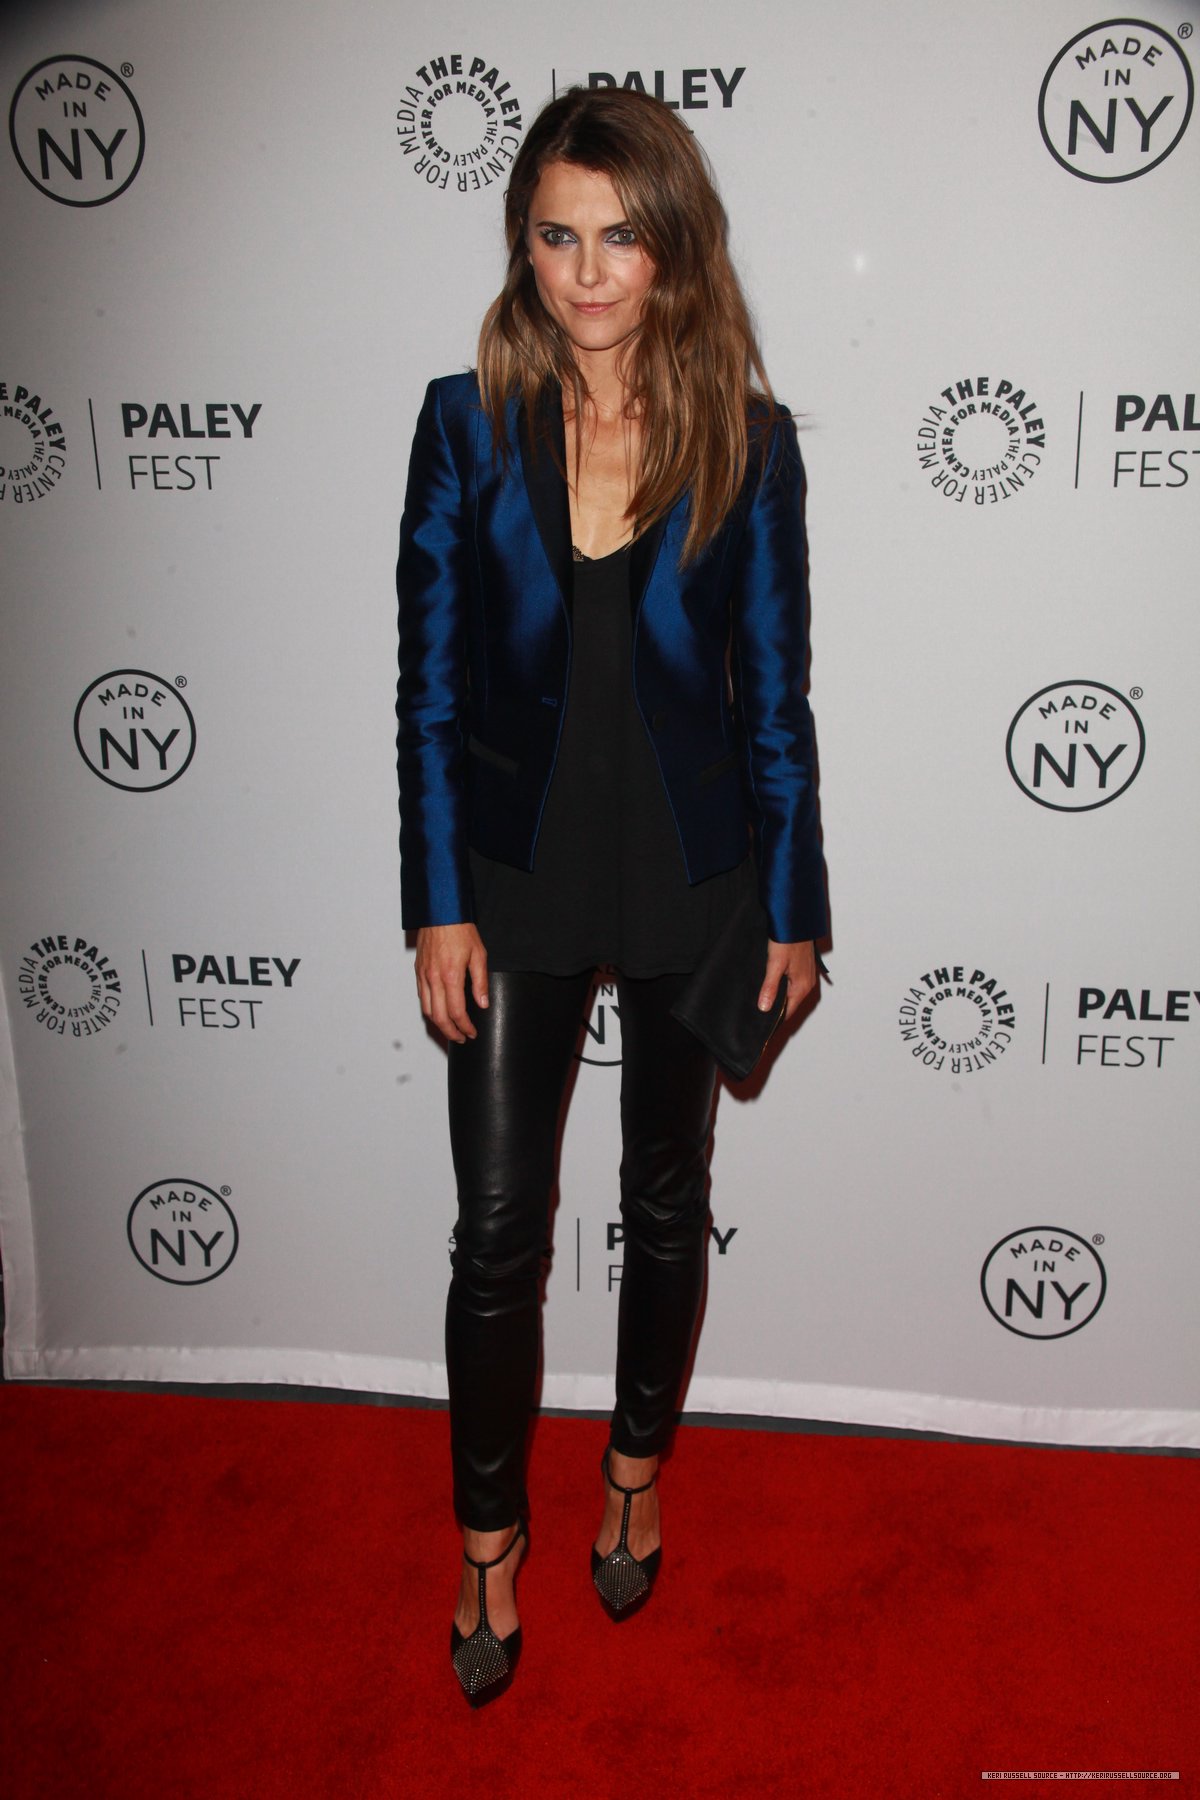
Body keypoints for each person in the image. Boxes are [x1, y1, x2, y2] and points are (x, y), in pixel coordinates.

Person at [396, 84, 827, 1707]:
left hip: (687, 878)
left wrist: (791, 900)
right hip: (509, 884)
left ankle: (635, 1469)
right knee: (499, 1229)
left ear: (672, 248)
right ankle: (488, 1546)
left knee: (663, 1203)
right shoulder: (461, 422)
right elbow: (425, 690)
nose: (587, 272)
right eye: (558, 237)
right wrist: (440, 898)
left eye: (619, 237)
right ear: (525, 245)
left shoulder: (749, 439)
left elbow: (775, 698)